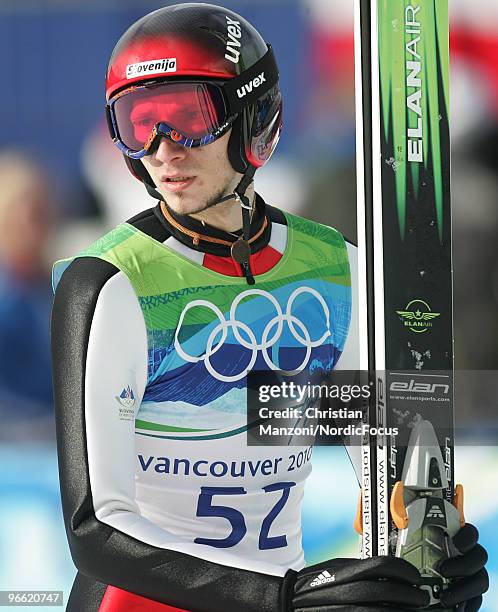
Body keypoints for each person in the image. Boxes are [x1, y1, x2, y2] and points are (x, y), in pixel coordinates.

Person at [51, 4, 488, 611]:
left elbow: (383, 453)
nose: (163, 149)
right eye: (138, 121)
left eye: (188, 117)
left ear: (253, 116)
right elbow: (95, 528)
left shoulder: (337, 269)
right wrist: (283, 595)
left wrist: (432, 552)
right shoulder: (112, 283)